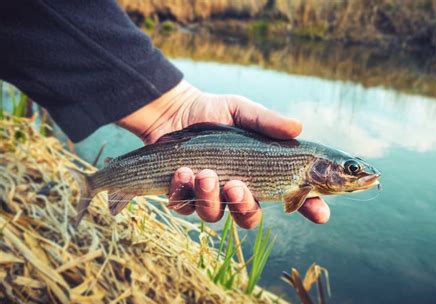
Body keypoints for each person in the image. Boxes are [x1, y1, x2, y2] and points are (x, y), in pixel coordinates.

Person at [0, 0, 330, 229]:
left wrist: (168, 102)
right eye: (350, 169)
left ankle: (96, 184)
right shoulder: (302, 168)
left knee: (204, 188)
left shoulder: (303, 181)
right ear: (321, 165)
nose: (356, 174)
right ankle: (94, 184)